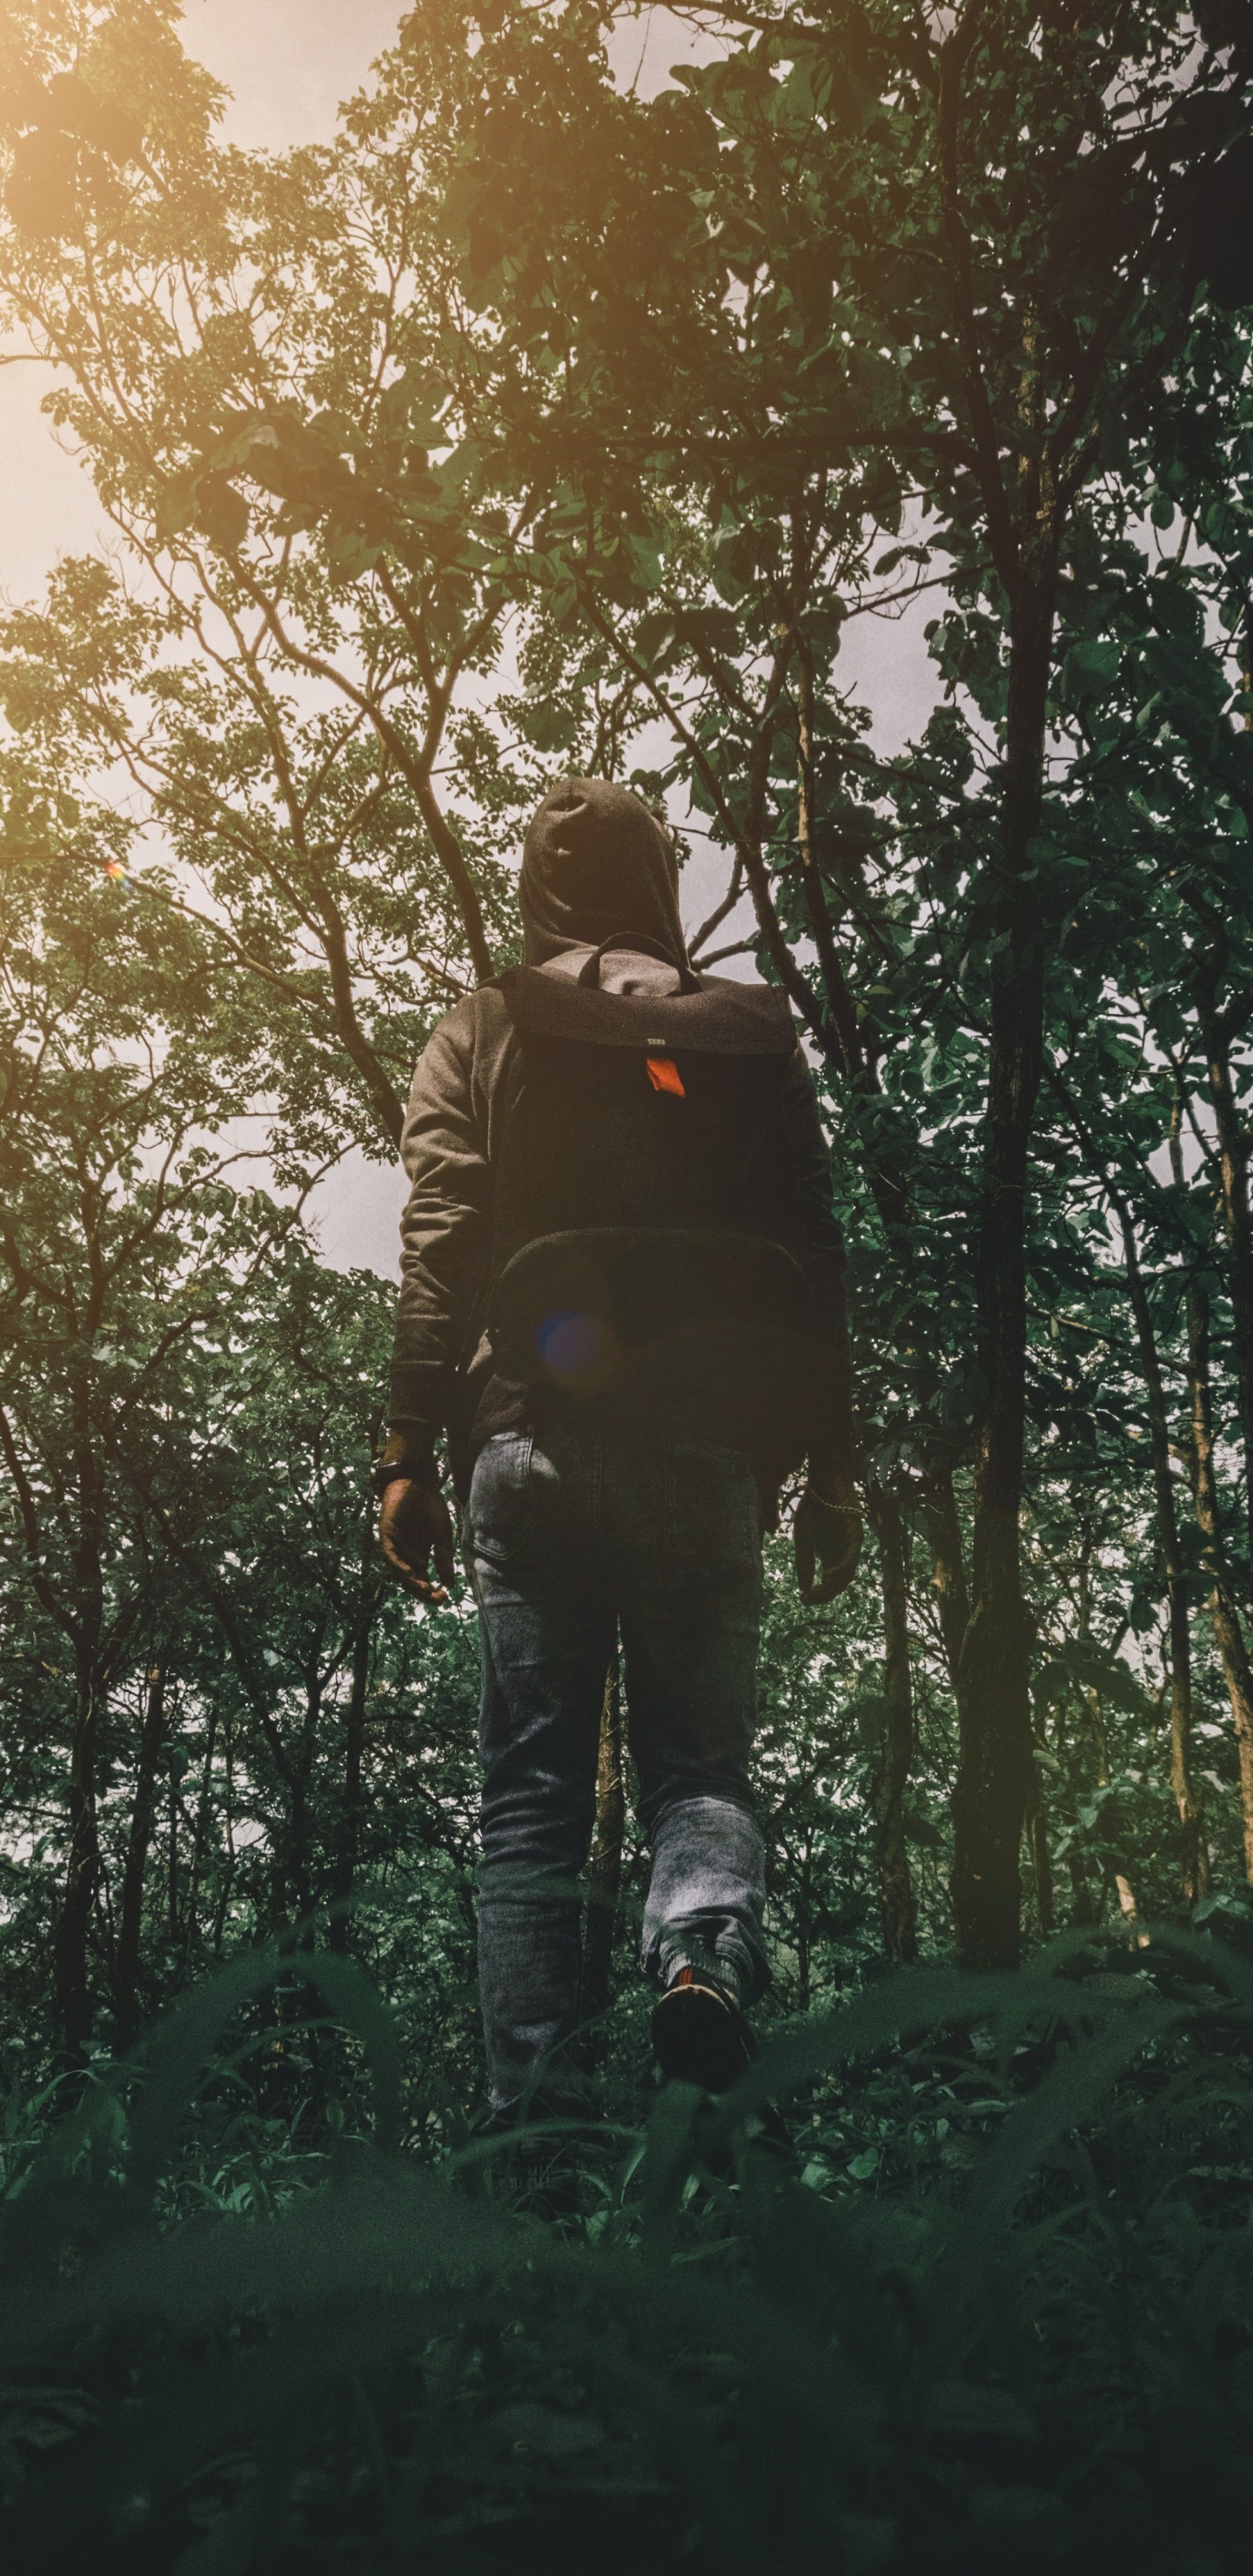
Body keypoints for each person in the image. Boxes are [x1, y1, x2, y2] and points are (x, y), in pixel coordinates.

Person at [375, 778, 861, 2129]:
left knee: (528, 1796)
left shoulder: (484, 1023)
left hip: (530, 1439)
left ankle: (529, 2128)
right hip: (709, 1456)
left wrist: (406, 1443)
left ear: (539, 889)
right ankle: (702, 1956)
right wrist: (833, 1473)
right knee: (699, 1774)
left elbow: (443, 1237)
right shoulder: (754, 1041)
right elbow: (814, 1265)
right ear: (658, 883)